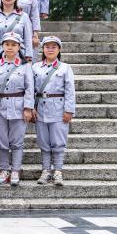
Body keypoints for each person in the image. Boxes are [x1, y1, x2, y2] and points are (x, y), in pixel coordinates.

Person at [0, 31, 35, 186]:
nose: (10, 47)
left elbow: (29, 88)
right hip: (0, 106)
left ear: (19, 47)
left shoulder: (26, 66)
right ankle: (4, 169)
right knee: (1, 140)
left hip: (18, 106)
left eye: (13, 45)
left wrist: (28, 108)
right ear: (2, 46)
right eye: (7, 44)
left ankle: (15, 169)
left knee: (17, 141)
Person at [33, 35, 76, 186]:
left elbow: (70, 90)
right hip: (40, 108)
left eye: (54, 47)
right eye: (47, 47)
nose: (50, 49)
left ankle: (58, 171)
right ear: (43, 49)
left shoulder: (65, 68)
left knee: (58, 142)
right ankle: (45, 171)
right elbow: (30, 89)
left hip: (58, 108)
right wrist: (31, 107)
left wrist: (69, 110)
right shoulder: (35, 67)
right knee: (43, 141)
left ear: (59, 49)